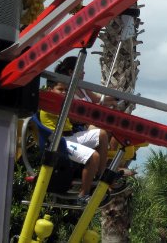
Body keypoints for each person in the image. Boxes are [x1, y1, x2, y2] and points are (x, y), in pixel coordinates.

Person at [39, 56, 126, 205]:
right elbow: (79, 116)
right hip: (59, 142)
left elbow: (79, 114)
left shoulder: (62, 102)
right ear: (50, 90)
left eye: (66, 90)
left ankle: (101, 175)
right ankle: (83, 194)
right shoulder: (51, 104)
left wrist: (114, 100)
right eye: (60, 90)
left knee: (102, 134)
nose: (64, 93)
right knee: (93, 156)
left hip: (70, 136)